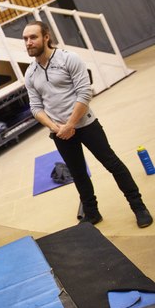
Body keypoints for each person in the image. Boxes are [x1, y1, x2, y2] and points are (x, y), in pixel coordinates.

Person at [23, 20, 152, 228]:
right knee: (78, 174)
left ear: (46, 37)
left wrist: (70, 124)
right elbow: (36, 107)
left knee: (113, 164)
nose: (28, 42)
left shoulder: (68, 59)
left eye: (33, 37)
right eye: (26, 39)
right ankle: (92, 213)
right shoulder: (30, 73)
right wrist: (56, 128)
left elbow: (85, 93)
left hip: (86, 125)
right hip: (60, 133)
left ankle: (139, 207)